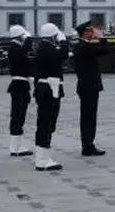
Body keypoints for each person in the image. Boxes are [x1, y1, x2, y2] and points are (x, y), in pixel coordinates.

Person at [31, 23, 65, 171]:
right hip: (48, 88)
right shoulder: (47, 48)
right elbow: (62, 56)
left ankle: (43, 157)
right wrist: (64, 41)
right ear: (53, 36)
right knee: (47, 122)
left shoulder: (42, 47)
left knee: (45, 123)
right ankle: (42, 160)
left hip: (45, 87)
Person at [72, 22, 107, 156]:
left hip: (87, 86)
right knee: (89, 117)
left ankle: (88, 144)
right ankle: (87, 146)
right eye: (89, 31)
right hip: (88, 87)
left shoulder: (83, 46)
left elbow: (102, 51)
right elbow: (103, 50)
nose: (92, 33)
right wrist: (101, 37)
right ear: (84, 33)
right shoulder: (83, 46)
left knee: (89, 117)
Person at [5, 24, 34, 157]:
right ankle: (15, 147)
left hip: (21, 84)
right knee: (17, 115)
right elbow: (25, 49)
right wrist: (28, 38)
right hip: (19, 85)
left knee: (19, 116)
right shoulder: (16, 48)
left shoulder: (15, 48)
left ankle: (16, 145)